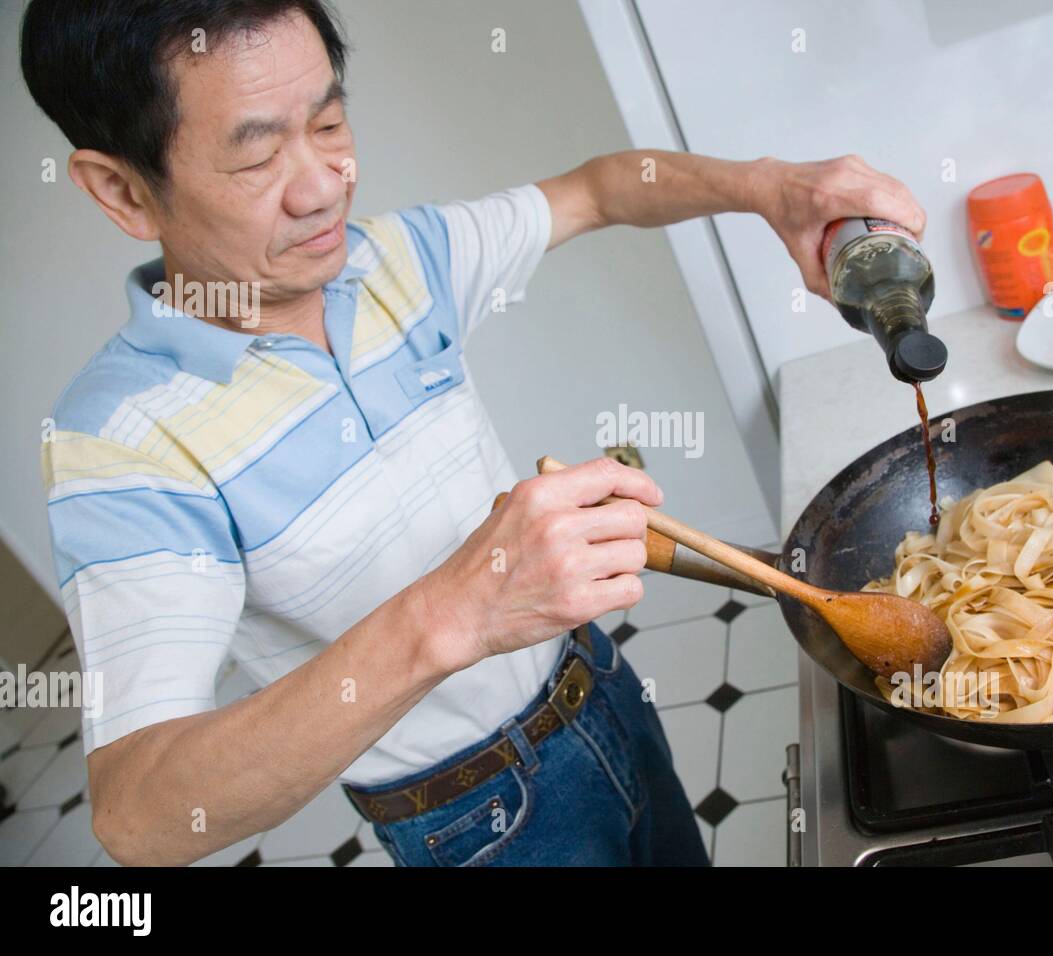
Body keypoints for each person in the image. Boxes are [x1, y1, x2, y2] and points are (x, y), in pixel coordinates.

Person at [21, 0, 925, 866]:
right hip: (477, 820)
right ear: (123, 189)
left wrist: (772, 187)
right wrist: (461, 606)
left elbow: (601, 190)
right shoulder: (122, 444)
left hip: (597, 689)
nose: (323, 187)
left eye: (330, 125)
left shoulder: (392, 259)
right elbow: (141, 814)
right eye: (256, 157)